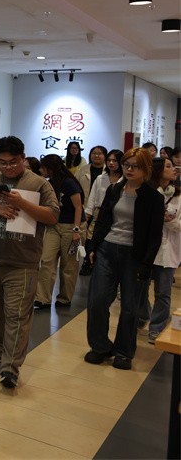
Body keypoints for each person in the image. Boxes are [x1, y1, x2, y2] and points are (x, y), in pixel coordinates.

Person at [0, 136, 59, 389]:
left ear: (23, 158)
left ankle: (10, 367)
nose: (8, 167)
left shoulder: (39, 184)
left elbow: (52, 215)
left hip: (22, 263)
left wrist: (22, 204)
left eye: (13, 162)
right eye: (3, 162)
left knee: (17, 316)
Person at [84, 147, 163, 370]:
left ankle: (124, 352)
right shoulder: (114, 190)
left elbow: (155, 236)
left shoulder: (154, 198)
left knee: (130, 307)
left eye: (135, 166)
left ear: (146, 168)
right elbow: (103, 221)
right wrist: (93, 246)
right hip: (107, 249)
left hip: (134, 256)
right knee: (97, 301)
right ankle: (100, 346)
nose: (129, 169)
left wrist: (147, 264)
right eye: (126, 165)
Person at [34, 154, 85, 309]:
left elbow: (78, 207)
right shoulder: (49, 183)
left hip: (72, 227)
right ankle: (43, 298)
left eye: (43, 167)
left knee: (69, 265)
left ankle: (65, 298)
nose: (40, 170)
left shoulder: (69, 183)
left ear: (50, 168)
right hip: (54, 226)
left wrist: (76, 230)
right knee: (46, 259)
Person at [144, 158, 180, 344]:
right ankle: (143, 315)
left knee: (163, 294)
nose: (174, 170)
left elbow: (179, 225)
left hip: (169, 252)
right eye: (169, 166)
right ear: (158, 171)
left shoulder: (178, 196)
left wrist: (168, 221)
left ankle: (156, 328)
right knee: (139, 290)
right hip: (147, 250)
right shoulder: (148, 193)